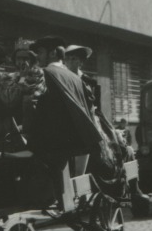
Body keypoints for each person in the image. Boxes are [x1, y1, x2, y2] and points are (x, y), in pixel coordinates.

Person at [22, 36, 102, 165]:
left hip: (47, 146)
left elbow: (29, 102)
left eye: (40, 52)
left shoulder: (43, 72)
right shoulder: (76, 79)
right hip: (73, 145)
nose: (38, 57)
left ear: (53, 53)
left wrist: (26, 133)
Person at [63, 45, 98, 112]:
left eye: (73, 58)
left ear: (81, 62)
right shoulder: (61, 78)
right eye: (67, 58)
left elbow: (95, 106)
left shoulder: (89, 82)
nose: (70, 61)